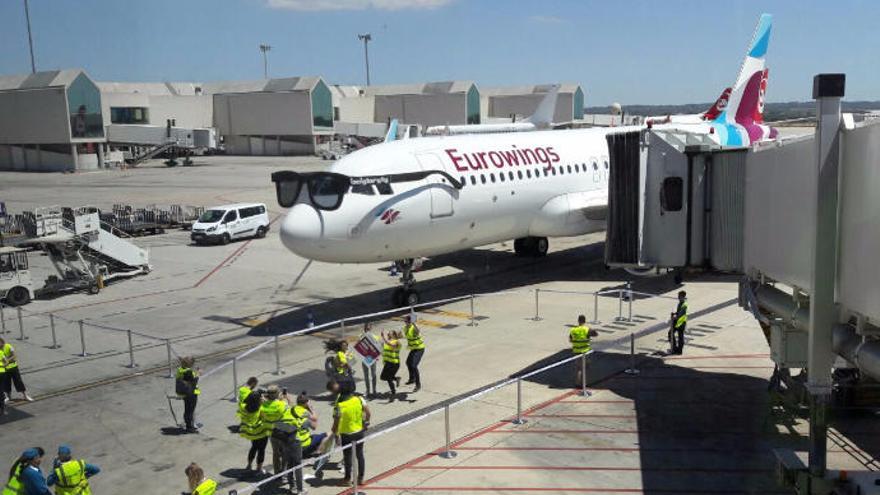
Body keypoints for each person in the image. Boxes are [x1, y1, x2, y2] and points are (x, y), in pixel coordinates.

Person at [333, 388, 370, 486]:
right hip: (359, 432)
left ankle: (347, 479)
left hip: (346, 434)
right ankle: (360, 479)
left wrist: (336, 435)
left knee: (347, 456)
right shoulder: (359, 399)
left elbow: (336, 423)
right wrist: (366, 423)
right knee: (360, 455)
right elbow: (368, 413)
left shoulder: (339, 405)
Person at [260, 385, 292, 476]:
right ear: (278, 393)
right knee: (284, 452)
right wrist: (286, 398)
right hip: (282, 432)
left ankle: (277, 473)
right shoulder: (282, 404)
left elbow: (262, 414)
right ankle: (285, 473)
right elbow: (292, 409)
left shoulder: (263, 405)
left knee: (276, 453)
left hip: (271, 432)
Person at [239, 390, 269, 473]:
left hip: (251, 433)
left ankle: (249, 465)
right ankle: (259, 468)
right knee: (261, 450)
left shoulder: (243, 407)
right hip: (261, 432)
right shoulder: (261, 409)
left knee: (253, 448)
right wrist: (264, 402)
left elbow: (243, 401)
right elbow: (265, 418)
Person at [0, 337, 33, 402]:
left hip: (13, 367)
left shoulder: (8, 346)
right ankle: (8, 397)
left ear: (2, 341)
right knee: (6, 383)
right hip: (5, 368)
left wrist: (7, 360)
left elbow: (14, 355)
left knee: (18, 381)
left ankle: (25, 395)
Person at [569, 315, 598, 387]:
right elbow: (596, 334)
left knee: (579, 368)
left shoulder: (573, 330)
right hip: (585, 351)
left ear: (578, 321)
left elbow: (570, 340)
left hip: (576, 351)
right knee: (585, 367)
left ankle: (578, 383)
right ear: (584, 321)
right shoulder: (586, 329)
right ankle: (584, 383)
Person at [176, 356, 201, 433]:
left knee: (187, 409)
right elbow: (193, 382)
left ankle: (189, 424)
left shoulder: (180, 370)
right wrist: (198, 374)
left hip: (184, 393)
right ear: (190, 365)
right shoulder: (188, 372)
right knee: (190, 410)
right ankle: (189, 427)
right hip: (191, 394)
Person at [403, 315, 425, 392]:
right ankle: (412, 379)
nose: (405, 322)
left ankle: (418, 384)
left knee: (413, 365)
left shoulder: (413, 328)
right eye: (404, 321)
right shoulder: (405, 328)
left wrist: (414, 323)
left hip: (419, 348)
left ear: (410, 322)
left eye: (406, 321)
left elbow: (418, 331)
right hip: (414, 349)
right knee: (408, 363)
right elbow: (403, 335)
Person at [380, 330, 402, 402]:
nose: (388, 333)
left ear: (394, 335)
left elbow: (391, 345)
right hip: (387, 363)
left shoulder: (397, 342)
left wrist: (383, 337)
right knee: (382, 377)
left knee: (389, 378)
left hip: (394, 363)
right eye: (388, 332)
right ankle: (396, 379)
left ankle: (393, 392)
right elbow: (383, 351)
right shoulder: (386, 342)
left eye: (390, 332)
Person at [359, 324, 379, 399]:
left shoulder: (374, 337)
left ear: (371, 328)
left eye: (368, 329)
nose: (367, 330)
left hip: (372, 358)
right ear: (364, 329)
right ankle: (368, 390)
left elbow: (378, 347)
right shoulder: (361, 336)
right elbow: (358, 346)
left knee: (373, 375)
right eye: (366, 329)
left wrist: (376, 355)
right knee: (366, 375)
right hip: (364, 358)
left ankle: (374, 390)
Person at [670, 290, 688, 354]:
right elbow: (679, 312)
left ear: (683, 297)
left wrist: (675, 317)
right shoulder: (680, 303)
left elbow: (681, 314)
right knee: (674, 334)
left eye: (679, 296)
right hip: (678, 321)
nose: (678, 297)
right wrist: (675, 313)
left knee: (679, 336)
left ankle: (678, 350)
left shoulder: (684, 305)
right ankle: (675, 348)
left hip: (680, 322)